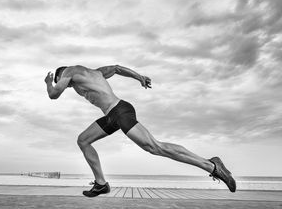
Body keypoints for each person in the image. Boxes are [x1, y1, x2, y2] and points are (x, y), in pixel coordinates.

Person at [44, 65, 236, 197]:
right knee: (83, 140)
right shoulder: (94, 73)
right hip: (113, 115)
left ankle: (212, 166)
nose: (64, 86)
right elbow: (117, 68)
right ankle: (101, 183)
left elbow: (53, 95)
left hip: (119, 111)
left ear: (61, 75)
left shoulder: (68, 71)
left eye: (61, 81)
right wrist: (139, 77)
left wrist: (48, 82)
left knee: (155, 147)